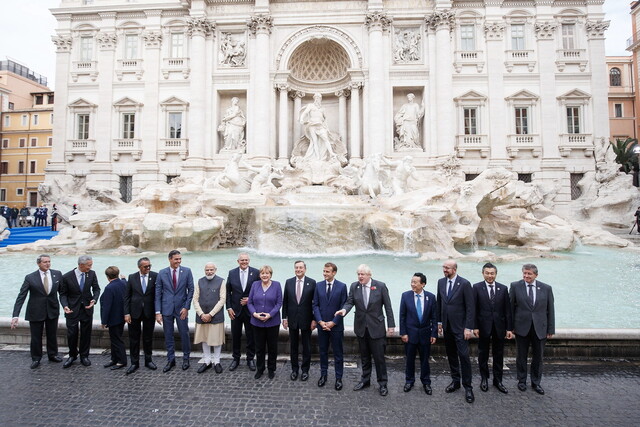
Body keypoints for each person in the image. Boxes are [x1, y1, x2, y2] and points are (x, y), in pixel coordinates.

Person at [336, 264, 395, 397]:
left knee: (379, 358)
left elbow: (388, 307)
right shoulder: (354, 286)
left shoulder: (380, 286)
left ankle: (383, 383)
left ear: (369, 275)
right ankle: (365, 380)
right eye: (358, 274)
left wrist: (391, 326)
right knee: (364, 357)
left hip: (377, 328)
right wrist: (344, 310)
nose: (360, 277)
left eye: (362, 274)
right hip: (361, 328)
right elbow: (350, 301)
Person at [11, 254, 63, 368]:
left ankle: (53, 355)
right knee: (36, 337)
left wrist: (66, 305)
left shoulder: (57, 274)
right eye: (45, 262)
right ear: (38, 263)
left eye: (49, 261)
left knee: (52, 334)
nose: (48, 264)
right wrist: (15, 315)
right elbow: (21, 296)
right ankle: (36, 358)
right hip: (35, 311)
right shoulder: (30, 277)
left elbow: (62, 293)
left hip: (52, 310)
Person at [510, 263, 555, 395]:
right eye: (524, 273)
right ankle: (522, 381)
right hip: (521, 327)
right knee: (521, 356)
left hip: (540, 328)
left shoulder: (546, 288)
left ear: (536, 275)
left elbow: (550, 310)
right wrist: (510, 327)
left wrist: (550, 329)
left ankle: (536, 382)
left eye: (529, 274)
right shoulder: (515, 286)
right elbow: (511, 308)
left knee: (538, 357)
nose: (526, 276)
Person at [437, 259, 475, 403]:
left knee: (464, 357)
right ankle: (455, 381)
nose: (444, 269)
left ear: (454, 269)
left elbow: (470, 307)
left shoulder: (464, 284)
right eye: (444, 267)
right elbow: (439, 302)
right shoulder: (441, 282)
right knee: (451, 355)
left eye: (447, 268)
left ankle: (468, 387)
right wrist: (439, 322)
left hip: (460, 328)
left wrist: (468, 327)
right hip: (447, 327)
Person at [472, 263, 513, 394]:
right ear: (483, 273)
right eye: (487, 273)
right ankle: (484, 379)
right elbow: (474, 309)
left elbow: (508, 310)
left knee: (499, 354)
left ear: (496, 274)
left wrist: (509, 329)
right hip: (483, 327)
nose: (490, 276)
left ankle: (498, 380)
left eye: (492, 273)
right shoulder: (477, 287)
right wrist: (475, 327)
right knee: (482, 354)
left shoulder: (503, 288)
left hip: (499, 327)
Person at [155, 249, 194, 372]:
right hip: (166, 309)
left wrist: (186, 307)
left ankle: (186, 358)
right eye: (176, 259)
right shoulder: (162, 273)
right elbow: (157, 294)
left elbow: (191, 290)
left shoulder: (187, 271)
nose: (179, 261)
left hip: (181, 309)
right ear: (170, 259)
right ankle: (170, 360)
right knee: (168, 335)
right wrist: (158, 312)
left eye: (180, 259)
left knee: (184, 334)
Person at [60, 255, 101, 368]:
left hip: (87, 309)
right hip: (72, 310)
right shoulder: (67, 276)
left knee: (86, 333)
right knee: (72, 334)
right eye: (89, 265)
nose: (90, 267)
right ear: (81, 265)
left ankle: (84, 356)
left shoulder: (92, 274)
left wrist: (94, 299)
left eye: (91, 265)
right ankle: (72, 355)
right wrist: (65, 306)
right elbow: (63, 294)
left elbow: (96, 289)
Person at [399, 273, 437, 394]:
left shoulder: (431, 297)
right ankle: (409, 381)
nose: (412, 284)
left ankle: (426, 382)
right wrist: (403, 333)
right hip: (410, 334)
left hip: (425, 334)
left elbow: (434, 318)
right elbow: (402, 316)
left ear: (423, 284)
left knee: (425, 360)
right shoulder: (405, 296)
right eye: (412, 281)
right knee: (409, 359)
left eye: (415, 282)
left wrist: (434, 334)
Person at [312, 262, 347, 390]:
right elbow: (315, 305)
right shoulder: (318, 286)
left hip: (336, 326)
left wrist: (333, 322)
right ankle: (323, 375)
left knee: (338, 353)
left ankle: (338, 378)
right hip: (322, 326)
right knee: (323, 352)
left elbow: (343, 307)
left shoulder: (342, 286)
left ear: (334, 273)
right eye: (324, 271)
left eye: (327, 271)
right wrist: (320, 321)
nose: (325, 273)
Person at [282, 260, 317, 381]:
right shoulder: (289, 282)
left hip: (307, 320)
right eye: (296, 267)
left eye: (301, 268)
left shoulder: (312, 283)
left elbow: (315, 303)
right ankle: (294, 369)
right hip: (292, 319)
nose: (298, 270)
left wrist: (314, 320)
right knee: (294, 347)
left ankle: (305, 370)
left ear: (305, 269)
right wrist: (284, 318)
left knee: (306, 346)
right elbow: (285, 301)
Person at [124, 257, 158, 374]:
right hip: (134, 313)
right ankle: (134, 363)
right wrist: (126, 313)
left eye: (149, 266)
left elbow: (158, 295)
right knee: (134, 339)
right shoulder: (132, 277)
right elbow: (127, 296)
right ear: (139, 267)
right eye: (145, 267)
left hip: (149, 312)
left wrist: (158, 312)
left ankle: (148, 360)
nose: (148, 268)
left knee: (148, 338)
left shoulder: (155, 276)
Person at [248, 265, 282, 379]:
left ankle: (271, 369)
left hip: (272, 322)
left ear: (270, 274)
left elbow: (279, 303)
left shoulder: (277, 285)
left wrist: (270, 315)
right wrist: (254, 314)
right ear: (260, 275)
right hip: (257, 322)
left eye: (267, 273)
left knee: (272, 347)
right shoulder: (255, 285)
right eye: (262, 273)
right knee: (259, 347)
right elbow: (250, 302)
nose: (265, 275)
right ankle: (260, 368)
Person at [226, 252, 259, 372]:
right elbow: (228, 292)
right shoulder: (232, 273)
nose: (244, 262)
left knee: (251, 336)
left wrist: (250, 300)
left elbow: (260, 290)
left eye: (246, 260)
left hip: (251, 311)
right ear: (238, 261)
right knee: (235, 336)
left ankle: (251, 358)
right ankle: (236, 359)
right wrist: (229, 308)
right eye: (242, 260)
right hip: (235, 311)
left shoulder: (256, 273)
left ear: (249, 261)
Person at [194, 262, 226, 374]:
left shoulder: (221, 281)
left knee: (216, 340)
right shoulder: (199, 281)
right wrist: (201, 314)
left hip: (215, 316)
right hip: (202, 316)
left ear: (215, 270)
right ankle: (207, 361)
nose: (209, 272)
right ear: (204, 270)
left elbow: (222, 300)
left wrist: (210, 314)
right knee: (205, 339)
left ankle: (217, 361)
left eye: (211, 269)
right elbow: (195, 299)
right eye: (207, 270)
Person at [100, 266, 128, 370]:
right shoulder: (123, 283)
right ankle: (114, 358)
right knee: (115, 339)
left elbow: (107, 306)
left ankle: (122, 361)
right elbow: (125, 283)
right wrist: (124, 278)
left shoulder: (109, 288)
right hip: (121, 317)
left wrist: (104, 321)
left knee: (116, 340)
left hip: (113, 318)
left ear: (107, 276)